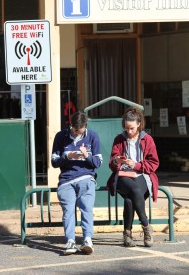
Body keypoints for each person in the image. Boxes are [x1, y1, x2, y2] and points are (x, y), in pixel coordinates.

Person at [51, 111, 103, 255]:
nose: (77, 133)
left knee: (86, 208)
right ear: (71, 125)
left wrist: (87, 155)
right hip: (66, 180)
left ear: (85, 126)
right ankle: (70, 241)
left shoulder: (92, 136)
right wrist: (67, 157)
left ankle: (87, 239)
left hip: (86, 177)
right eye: (75, 130)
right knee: (68, 211)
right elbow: (54, 162)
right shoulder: (61, 136)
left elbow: (98, 162)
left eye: (80, 131)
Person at [108, 106, 159, 247]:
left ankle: (127, 233)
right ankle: (146, 226)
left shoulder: (147, 139)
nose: (129, 131)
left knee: (130, 200)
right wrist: (117, 160)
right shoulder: (119, 139)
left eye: (132, 128)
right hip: (123, 174)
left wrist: (136, 165)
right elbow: (111, 162)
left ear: (138, 124)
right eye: (126, 128)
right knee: (135, 191)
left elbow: (154, 163)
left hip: (141, 174)